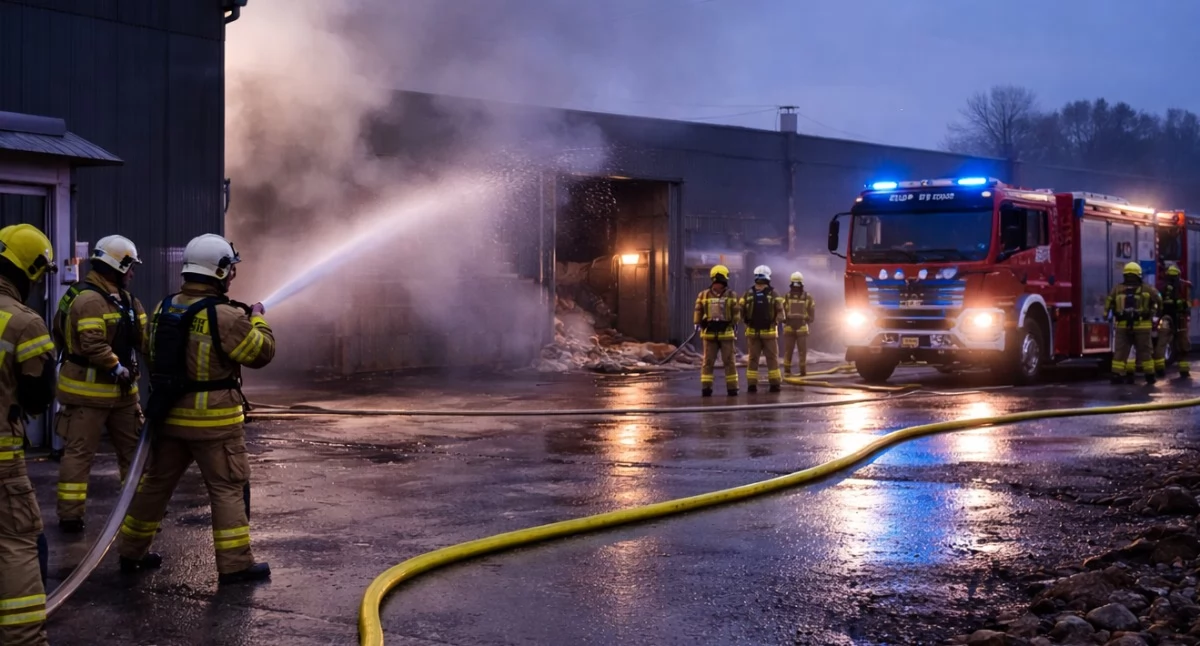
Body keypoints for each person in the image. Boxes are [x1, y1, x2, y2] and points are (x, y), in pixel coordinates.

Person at [117, 233, 275, 585]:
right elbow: (261, 354)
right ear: (218, 271)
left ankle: (131, 551)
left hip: (170, 417)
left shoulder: (165, 307)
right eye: (230, 269)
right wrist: (259, 319)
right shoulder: (227, 316)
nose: (232, 276)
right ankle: (235, 564)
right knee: (227, 487)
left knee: (154, 486)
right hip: (215, 424)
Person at [52, 235, 146, 534]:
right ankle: (70, 516)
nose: (132, 273)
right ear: (115, 266)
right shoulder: (88, 299)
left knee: (134, 453)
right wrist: (115, 367)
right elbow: (91, 343)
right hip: (88, 394)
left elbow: (146, 340)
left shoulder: (127, 300)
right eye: (129, 266)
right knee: (79, 455)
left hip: (123, 394)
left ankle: (142, 509)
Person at [0, 224, 59, 645]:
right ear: (33, 270)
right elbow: (38, 400)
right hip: (2, 460)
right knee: (18, 542)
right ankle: (22, 638)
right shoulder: (24, 323)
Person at [1106, 261, 1161, 385]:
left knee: (1120, 351)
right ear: (1139, 274)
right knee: (1145, 351)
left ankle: (1117, 374)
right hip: (1142, 326)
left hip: (1122, 325)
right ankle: (1150, 376)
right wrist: (1155, 312)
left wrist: (1106, 314)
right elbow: (1158, 298)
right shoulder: (1147, 288)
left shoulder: (1117, 288)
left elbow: (1109, 302)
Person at [694, 264, 741, 396]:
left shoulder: (731, 294)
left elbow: (736, 312)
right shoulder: (703, 295)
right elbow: (698, 310)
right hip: (709, 334)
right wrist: (697, 323)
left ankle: (732, 389)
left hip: (726, 333)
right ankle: (706, 388)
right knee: (708, 362)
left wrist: (734, 322)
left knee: (729, 362)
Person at [741, 265, 784, 393]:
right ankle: (775, 385)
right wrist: (775, 322)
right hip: (769, 333)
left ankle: (751, 385)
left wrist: (746, 323)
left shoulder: (748, 293)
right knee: (772, 358)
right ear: (768, 277)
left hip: (753, 333)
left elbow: (740, 311)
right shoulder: (774, 293)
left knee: (753, 359)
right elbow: (781, 313)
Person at [1155, 264, 1191, 379]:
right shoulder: (1178, 285)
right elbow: (1179, 302)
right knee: (1182, 342)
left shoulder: (1161, 285)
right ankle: (1184, 370)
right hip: (1178, 318)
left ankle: (1159, 368)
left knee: (1162, 341)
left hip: (1165, 317)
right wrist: (1185, 306)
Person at [781, 271, 815, 377]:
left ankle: (788, 371)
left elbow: (781, 311)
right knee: (801, 352)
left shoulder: (786, 296)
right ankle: (802, 372)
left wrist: (784, 320)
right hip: (800, 327)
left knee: (789, 351)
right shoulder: (807, 297)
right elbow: (812, 312)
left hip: (791, 327)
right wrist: (808, 319)